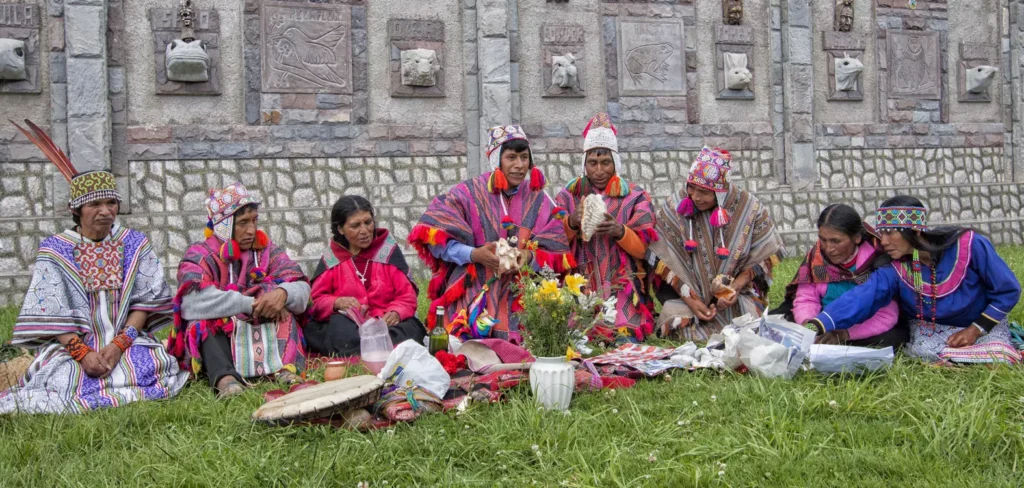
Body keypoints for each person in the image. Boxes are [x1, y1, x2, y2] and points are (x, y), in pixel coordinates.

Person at [0, 120, 187, 414]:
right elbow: (52, 310)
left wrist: (117, 346)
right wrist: (83, 353)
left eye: (111, 202)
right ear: (76, 210)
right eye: (95, 204)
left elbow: (145, 302)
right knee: (63, 379)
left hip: (126, 342)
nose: (105, 211)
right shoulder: (55, 250)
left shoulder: (134, 243)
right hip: (74, 348)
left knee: (151, 367)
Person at [805, 196, 1021, 363]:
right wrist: (821, 323)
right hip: (931, 331)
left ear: (915, 231)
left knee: (998, 357)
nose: (884, 241)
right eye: (882, 233)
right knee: (922, 351)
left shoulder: (969, 245)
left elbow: (1007, 290)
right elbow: (863, 297)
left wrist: (975, 330)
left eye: (891, 233)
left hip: (981, 325)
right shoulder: (895, 268)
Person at [408, 125, 574, 343]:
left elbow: (555, 250)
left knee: (539, 342)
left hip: (523, 288)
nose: (519, 165)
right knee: (462, 344)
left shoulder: (540, 200)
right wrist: (474, 254)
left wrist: (529, 257)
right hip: (475, 282)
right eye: (511, 157)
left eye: (524, 157)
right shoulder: (466, 194)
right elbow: (436, 240)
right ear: (497, 160)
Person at [168, 182, 310, 398]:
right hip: (225, 334)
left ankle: (285, 370)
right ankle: (226, 379)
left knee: (284, 308)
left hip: (261, 325)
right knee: (203, 323)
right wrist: (252, 305)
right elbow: (191, 303)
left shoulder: (268, 251)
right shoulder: (199, 255)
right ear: (224, 226)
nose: (252, 230)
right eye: (243, 222)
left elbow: (300, 286)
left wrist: (283, 294)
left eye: (254, 220)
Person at [647, 147, 785, 342]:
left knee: (749, 324)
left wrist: (734, 289)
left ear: (721, 192)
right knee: (676, 321)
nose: (695, 197)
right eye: (691, 188)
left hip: (734, 299)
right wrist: (691, 300)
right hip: (689, 301)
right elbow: (665, 260)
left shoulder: (748, 207)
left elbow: (763, 255)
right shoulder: (676, 206)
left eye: (704, 192)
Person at [555, 113, 658, 342]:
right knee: (575, 336)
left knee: (624, 336)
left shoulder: (635, 196)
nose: (599, 170)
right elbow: (551, 241)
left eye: (605, 163)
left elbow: (644, 249)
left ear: (616, 163)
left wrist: (620, 231)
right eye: (592, 163)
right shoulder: (567, 196)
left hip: (622, 285)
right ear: (584, 164)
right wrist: (571, 222)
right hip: (579, 283)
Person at [773, 204, 907, 348]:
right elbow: (806, 299)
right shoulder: (816, 257)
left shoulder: (879, 262)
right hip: (821, 322)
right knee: (777, 321)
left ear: (856, 238)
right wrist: (808, 324)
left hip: (859, 326)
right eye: (823, 240)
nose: (828, 249)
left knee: (893, 337)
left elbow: (885, 316)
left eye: (836, 241)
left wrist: (843, 334)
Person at [306, 196, 426, 356]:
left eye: (368, 222)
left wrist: (396, 312)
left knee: (411, 329)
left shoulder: (387, 251)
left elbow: (407, 296)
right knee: (330, 329)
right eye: (355, 226)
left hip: (386, 324)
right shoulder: (333, 257)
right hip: (350, 326)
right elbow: (317, 301)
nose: (364, 231)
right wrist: (336, 302)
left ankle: (360, 351)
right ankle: (378, 350)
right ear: (340, 229)